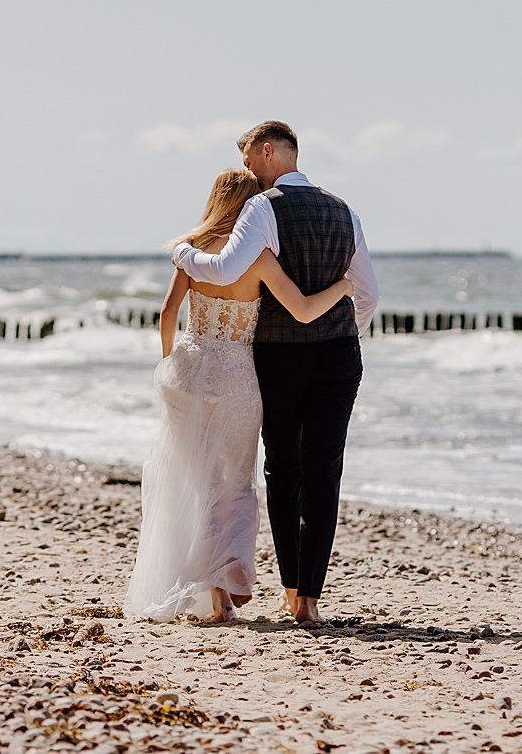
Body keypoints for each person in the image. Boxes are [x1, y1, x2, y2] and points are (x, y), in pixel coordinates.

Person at [124, 168, 353, 623]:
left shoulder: (188, 252)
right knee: (235, 483)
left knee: (196, 481)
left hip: (188, 373)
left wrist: (170, 360)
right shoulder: (261, 258)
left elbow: (169, 313)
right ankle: (231, 576)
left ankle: (215, 596)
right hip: (236, 379)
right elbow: (304, 311)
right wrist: (345, 287)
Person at [171, 121, 378, 625]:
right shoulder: (344, 209)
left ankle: (290, 595)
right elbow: (368, 293)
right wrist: (340, 332)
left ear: (268, 152)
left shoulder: (263, 208)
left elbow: (222, 271)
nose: (247, 172)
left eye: (248, 161)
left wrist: (181, 251)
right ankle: (309, 600)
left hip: (283, 359)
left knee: (284, 470)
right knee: (325, 471)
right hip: (339, 356)